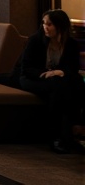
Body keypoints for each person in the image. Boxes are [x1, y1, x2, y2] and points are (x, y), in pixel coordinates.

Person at [18, 9, 83, 153]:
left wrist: (61, 72)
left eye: (50, 24)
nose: (45, 27)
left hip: (58, 81)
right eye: (43, 23)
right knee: (60, 86)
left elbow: (73, 68)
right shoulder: (35, 40)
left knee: (71, 83)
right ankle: (61, 137)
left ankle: (65, 136)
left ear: (60, 26)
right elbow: (27, 68)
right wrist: (46, 73)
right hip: (32, 78)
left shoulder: (71, 44)